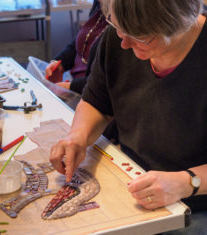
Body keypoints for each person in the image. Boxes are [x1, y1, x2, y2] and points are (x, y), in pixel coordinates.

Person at [50, 0, 207, 233]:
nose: (124, 44)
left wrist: (187, 182)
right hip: (131, 180)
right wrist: (77, 137)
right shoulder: (117, 39)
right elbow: (96, 102)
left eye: (141, 37)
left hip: (195, 200)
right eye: (118, 28)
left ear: (178, 23)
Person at [45, 0, 108, 94]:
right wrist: (59, 63)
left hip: (93, 94)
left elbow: (106, 80)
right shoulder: (99, 5)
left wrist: (71, 86)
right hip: (77, 86)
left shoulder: (121, 22)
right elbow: (83, 41)